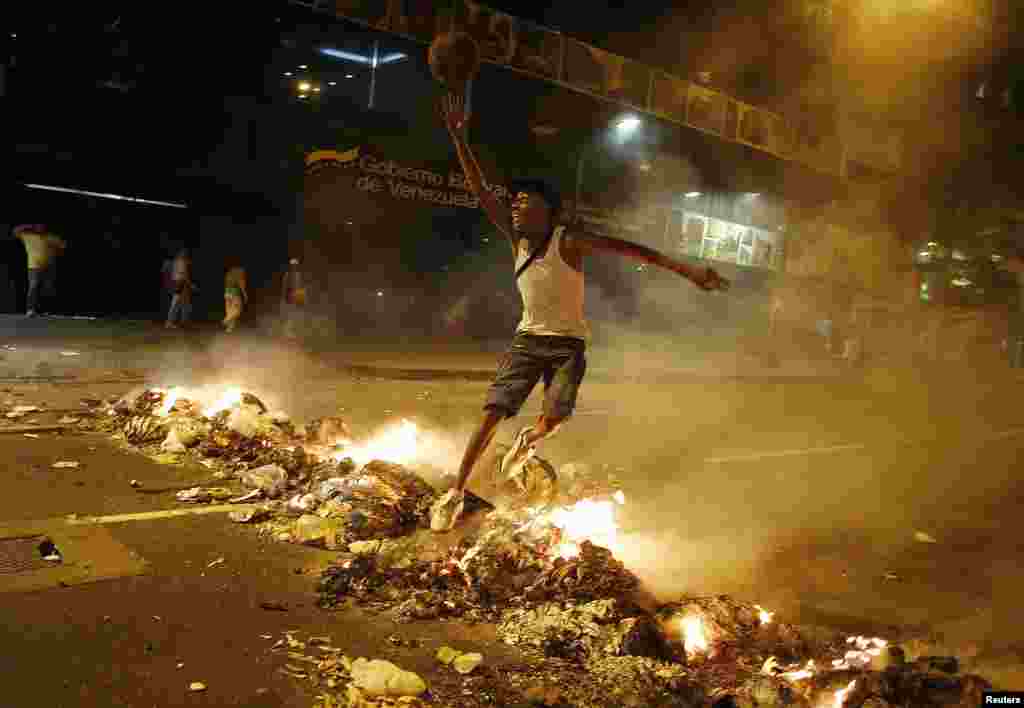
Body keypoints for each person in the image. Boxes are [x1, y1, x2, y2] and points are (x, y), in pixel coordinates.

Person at [429, 92, 730, 531]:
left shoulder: (567, 240)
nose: (514, 206)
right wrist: (459, 139)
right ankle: (455, 493)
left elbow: (632, 250)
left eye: (525, 201)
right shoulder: (519, 244)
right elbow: (478, 189)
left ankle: (528, 442)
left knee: (556, 417)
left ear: (549, 211)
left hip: (568, 345)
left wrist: (687, 271)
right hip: (528, 340)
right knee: (494, 411)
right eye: (513, 201)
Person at [14, 224, 66, 317]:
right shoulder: (28, 236)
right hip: (34, 266)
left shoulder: (51, 237)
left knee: (47, 288)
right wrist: (29, 226)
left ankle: (45, 310)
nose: (40, 228)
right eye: (38, 227)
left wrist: (54, 253)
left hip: (49, 266)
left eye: (42, 227)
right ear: (35, 228)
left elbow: (63, 246)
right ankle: (30, 309)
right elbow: (16, 231)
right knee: (34, 286)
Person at [165, 248, 194, 329]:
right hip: (180, 284)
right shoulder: (181, 262)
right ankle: (170, 322)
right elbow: (183, 275)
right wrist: (190, 284)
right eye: (184, 254)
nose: (185, 255)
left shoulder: (176, 261)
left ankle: (183, 322)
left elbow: (172, 272)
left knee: (184, 304)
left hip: (178, 283)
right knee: (176, 304)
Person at [281, 257, 306, 339]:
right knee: (289, 315)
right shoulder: (288, 275)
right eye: (292, 265)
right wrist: (285, 297)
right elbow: (284, 287)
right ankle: (287, 332)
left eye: (295, 265)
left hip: (296, 297)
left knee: (296, 315)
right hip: (289, 298)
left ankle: (294, 332)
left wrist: (302, 296)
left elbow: (301, 286)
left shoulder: (298, 275)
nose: (294, 267)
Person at [223, 260, 248, 333]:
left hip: (227, 292)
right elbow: (242, 285)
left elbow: (226, 283)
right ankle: (226, 319)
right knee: (238, 309)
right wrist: (245, 294)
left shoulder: (229, 273)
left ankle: (229, 328)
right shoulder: (240, 273)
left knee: (230, 310)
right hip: (234, 293)